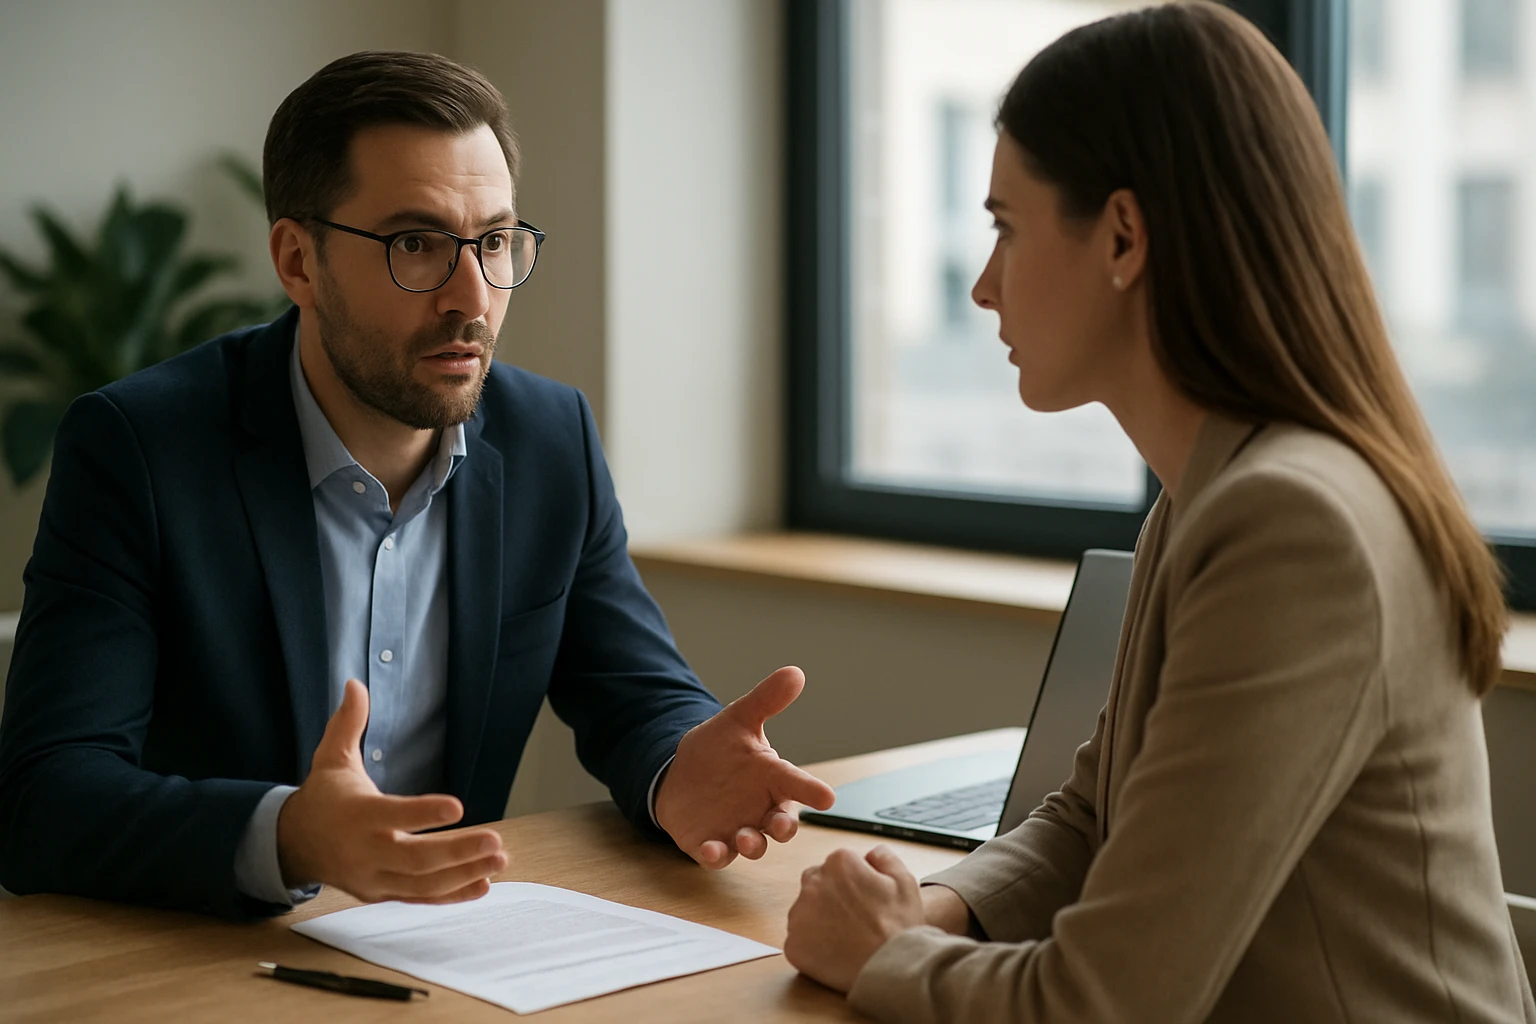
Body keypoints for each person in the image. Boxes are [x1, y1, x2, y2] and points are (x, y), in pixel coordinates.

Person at [782, 4, 1536, 1021]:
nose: (982, 285)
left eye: (1006, 227)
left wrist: (882, 957)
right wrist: (933, 905)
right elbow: (1097, 815)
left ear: (1124, 236)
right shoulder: (1214, 493)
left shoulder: (1292, 523)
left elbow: (1107, 1002)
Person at [0, 50, 834, 920]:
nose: (472, 296)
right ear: (297, 261)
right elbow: (42, 797)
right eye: (416, 245)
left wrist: (679, 766)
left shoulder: (551, 440)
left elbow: (633, 690)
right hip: (201, 955)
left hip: (453, 958)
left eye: (495, 242)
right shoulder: (140, 448)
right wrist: (291, 835)